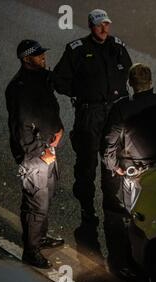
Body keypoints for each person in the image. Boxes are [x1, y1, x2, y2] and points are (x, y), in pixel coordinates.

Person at [101, 63, 156, 277]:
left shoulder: (122, 108)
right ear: (151, 81)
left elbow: (108, 145)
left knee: (133, 219)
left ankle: (130, 265)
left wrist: (115, 167)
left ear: (130, 83)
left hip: (138, 174)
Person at [53, 9, 132, 224]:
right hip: (90, 114)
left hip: (113, 112)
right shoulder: (77, 50)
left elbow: (129, 72)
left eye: (106, 24)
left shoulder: (117, 46)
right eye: (99, 25)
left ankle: (112, 203)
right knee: (87, 163)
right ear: (91, 26)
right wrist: (80, 93)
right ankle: (87, 206)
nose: (104, 28)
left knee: (114, 160)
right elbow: (59, 80)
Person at [5, 40, 65, 269]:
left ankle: (39, 237)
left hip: (48, 148)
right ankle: (31, 251)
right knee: (36, 203)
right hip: (36, 156)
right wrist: (40, 154)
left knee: (45, 197)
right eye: (38, 55)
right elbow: (21, 128)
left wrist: (58, 129)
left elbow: (50, 108)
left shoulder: (42, 78)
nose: (43, 57)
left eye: (42, 54)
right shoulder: (19, 88)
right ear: (26, 59)